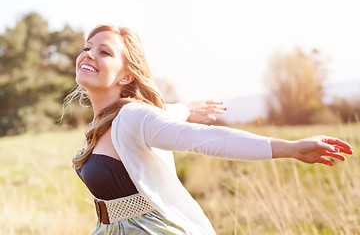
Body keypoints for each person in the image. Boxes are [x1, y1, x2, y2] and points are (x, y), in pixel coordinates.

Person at [65, 25, 353, 235]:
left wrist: (289, 148)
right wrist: (187, 109)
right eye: (87, 48)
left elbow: (204, 138)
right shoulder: (105, 122)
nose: (89, 55)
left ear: (126, 74)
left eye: (104, 52)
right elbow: (166, 115)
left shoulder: (132, 117)